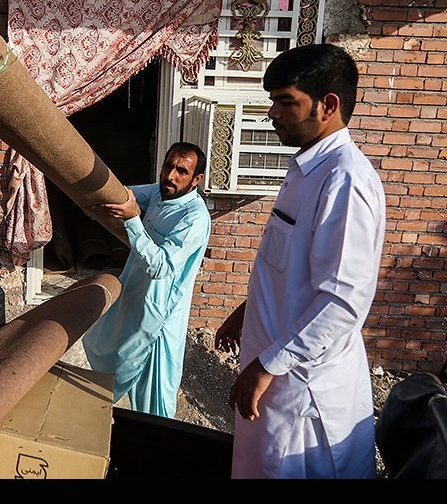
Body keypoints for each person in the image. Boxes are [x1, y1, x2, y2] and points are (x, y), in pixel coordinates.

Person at [215, 43, 386, 479]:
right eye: (272, 101)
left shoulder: (346, 180)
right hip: (276, 375)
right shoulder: (307, 168)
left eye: (285, 102)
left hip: (305, 392)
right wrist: (247, 310)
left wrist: (268, 364)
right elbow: (289, 268)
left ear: (328, 105)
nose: (272, 113)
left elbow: (343, 303)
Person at [82, 141, 211, 418]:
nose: (171, 176)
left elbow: (160, 267)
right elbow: (124, 196)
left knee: (156, 407)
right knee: (108, 357)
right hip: (134, 302)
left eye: (181, 171)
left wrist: (132, 220)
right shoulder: (159, 193)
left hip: (159, 321)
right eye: (168, 166)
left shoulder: (194, 219)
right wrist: (91, 199)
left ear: (196, 179)